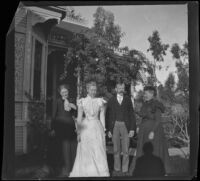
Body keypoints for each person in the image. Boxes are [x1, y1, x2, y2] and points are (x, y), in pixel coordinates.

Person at [69, 80, 110, 177]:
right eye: (91, 90)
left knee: (97, 149)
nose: (93, 92)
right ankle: (87, 171)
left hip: (96, 127)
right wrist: (78, 132)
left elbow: (102, 116)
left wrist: (103, 130)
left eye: (95, 90)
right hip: (86, 128)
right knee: (86, 149)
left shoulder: (100, 101)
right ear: (87, 90)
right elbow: (79, 118)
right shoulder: (82, 101)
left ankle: (99, 172)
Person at [129, 85, 172, 176]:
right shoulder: (145, 104)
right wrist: (138, 124)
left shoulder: (156, 104)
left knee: (155, 150)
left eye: (147, 93)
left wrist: (152, 131)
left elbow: (158, 120)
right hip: (144, 131)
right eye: (145, 93)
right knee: (144, 150)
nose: (145, 95)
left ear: (152, 94)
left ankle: (158, 170)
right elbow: (143, 116)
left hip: (154, 131)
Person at [106, 79, 136, 176]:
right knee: (116, 149)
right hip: (114, 125)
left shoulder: (128, 99)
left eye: (122, 88)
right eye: (119, 88)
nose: (121, 90)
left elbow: (132, 114)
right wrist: (109, 130)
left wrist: (132, 129)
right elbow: (108, 116)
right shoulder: (111, 100)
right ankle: (117, 168)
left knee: (126, 149)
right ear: (116, 89)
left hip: (125, 125)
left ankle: (125, 168)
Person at [50, 84, 77, 177]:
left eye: (66, 91)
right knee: (64, 146)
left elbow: (75, 113)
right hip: (61, 126)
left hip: (70, 125)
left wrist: (73, 106)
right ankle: (66, 168)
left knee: (72, 146)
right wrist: (53, 128)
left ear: (68, 92)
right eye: (63, 92)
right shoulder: (57, 101)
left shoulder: (72, 100)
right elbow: (54, 115)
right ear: (60, 93)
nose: (65, 93)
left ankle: (73, 167)